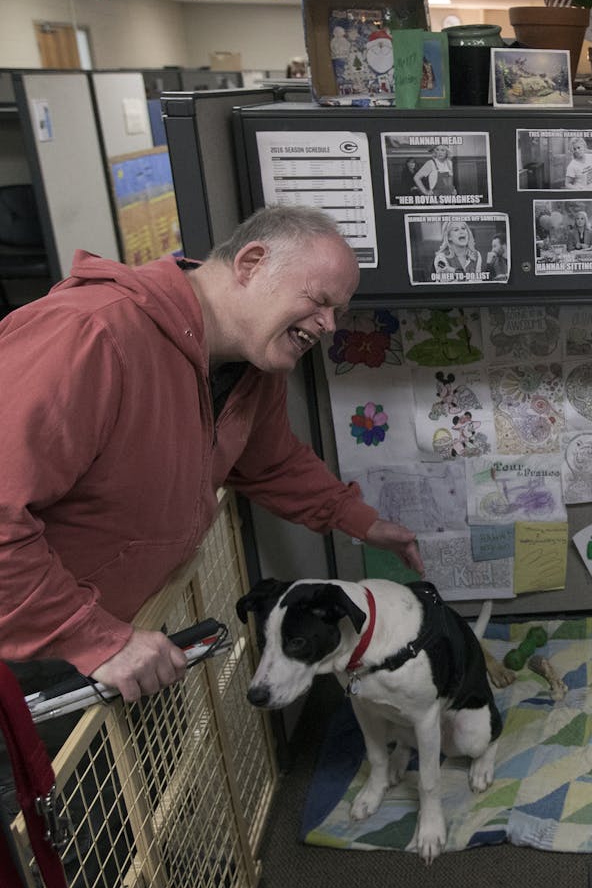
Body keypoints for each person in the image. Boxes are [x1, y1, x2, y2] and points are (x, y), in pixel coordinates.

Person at [0, 205, 424, 704]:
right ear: (251, 264)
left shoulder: (248, 363)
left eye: (338, 312)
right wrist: (92, 638)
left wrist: (362, 522)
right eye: (320, 301)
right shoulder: (91, 333)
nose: (329, 325)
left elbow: (269, 461)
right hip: (34, 643)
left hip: (119, 634)